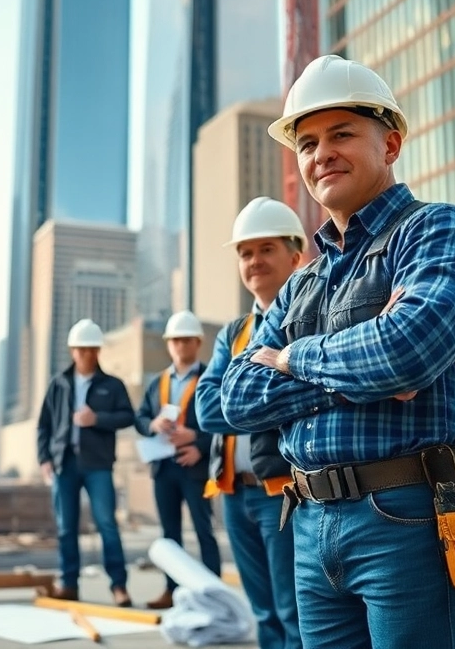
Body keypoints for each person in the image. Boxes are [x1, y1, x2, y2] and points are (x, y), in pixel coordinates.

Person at [220, 54, 455, 649]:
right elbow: (237, 399)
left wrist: (293, 356)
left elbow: (405, 350)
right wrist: (360, 365)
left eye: (342, 133)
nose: (321, 153)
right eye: (307, 142)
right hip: (308, 522)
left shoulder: (440, 232)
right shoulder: (305, 280)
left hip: (408, 516)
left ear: (391, 143)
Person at [194, 197, 307, 649]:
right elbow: (206, 410)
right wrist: (266, 396)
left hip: (280, 490)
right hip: (232, 492)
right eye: (245, 252)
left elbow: (310, 398)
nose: (254, 261)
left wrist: (241, 399)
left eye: (266, 249)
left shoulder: (308, 322)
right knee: (264, 612)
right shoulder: (233, 332)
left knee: (292, 611)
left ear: (295, 256)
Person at [36, 318, 136, 607]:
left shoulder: (112, 385)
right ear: (72, 350)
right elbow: (43, 425)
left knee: (107, 524)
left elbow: (128, 416)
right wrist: (44, 459)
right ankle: (69, 584)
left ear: (98, 351)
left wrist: (97, 420)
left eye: (91, 349)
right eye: (81, 349)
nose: (86, 354)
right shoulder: (59, 384)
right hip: (64, 464)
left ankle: (119, 586)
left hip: (98, 465)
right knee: (66, 527)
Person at [133, 310, 219, 609]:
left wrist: (198, 443)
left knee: (203, 531)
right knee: (169, 535)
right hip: (164, 468)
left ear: (197, 343)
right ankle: (171, 591)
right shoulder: (157, 383)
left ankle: (212, 594)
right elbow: (140, 417)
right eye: (175, 341)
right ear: (169, 344)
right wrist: (152, 424)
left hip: (195, 468)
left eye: (186, 340)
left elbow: (224, 425)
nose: (180, 346)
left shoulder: (211, 379)